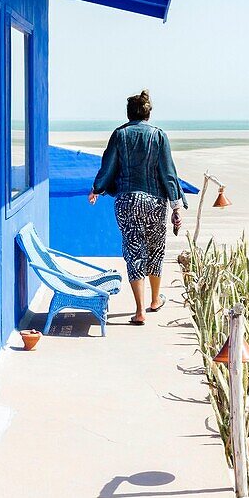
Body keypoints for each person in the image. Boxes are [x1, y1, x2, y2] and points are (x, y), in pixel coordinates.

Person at [90, 90, 188, 325]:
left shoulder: (120, 134)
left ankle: (139, 311)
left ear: (128, 113)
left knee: (134, 252)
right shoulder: (158, 136)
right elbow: (168, 172)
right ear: (147, 113)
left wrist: (98, 188)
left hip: (127, 201)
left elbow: (108, 165)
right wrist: (176, 206)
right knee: (155, 250)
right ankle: (155, 300)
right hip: (154, 201)